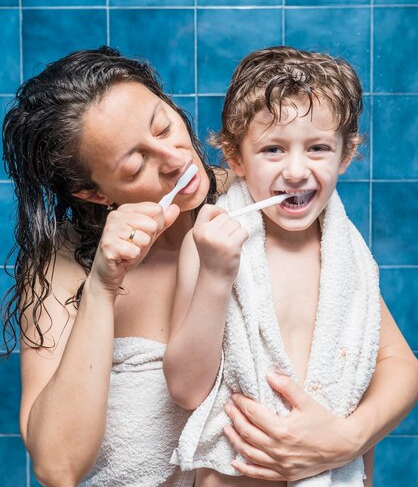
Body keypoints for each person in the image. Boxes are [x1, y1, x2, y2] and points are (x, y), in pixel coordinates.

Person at [1, 46, 416, 487]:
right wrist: (103, 285)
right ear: (94, 194)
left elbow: (389, 359)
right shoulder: (65, 263)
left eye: (164, 125)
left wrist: (345, 439)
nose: (176, 159)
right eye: (137, 162)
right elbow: (57, 467)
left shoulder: (264, 200)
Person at [163, 46, 418, 487]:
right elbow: (186, 389)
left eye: (318, 148)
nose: (297, 170)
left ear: (345, 155)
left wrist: (348, 438)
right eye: (274, 149)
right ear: (235, 158)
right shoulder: (210, 245)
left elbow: (404, 368)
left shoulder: (344, 253)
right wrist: (216, 276)